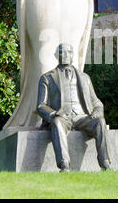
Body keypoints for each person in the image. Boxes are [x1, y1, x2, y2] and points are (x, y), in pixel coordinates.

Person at [36, 43, 111, 172]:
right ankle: (64, 164)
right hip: (62, 117)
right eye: (61, 52)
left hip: (82, 117)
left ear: (72, 55)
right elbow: (41, 105)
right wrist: (54, 114)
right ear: (56, 56)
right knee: (57, 123)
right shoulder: (47, 77)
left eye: (68, 52)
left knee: (100, 122)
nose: (64, 55)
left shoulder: (84, 77)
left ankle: (105, 163)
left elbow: (97, 102)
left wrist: (98, 111)